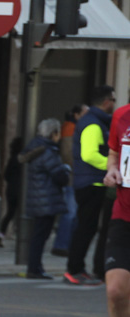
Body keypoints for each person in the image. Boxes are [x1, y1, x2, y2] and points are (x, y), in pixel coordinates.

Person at [64, 85, 116, 285]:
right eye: (113, 99)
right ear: (106, 102)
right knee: (86, 227)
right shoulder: (93, 124)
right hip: (91, 182)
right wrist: (113, 166)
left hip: (92, 182)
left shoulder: (95, 121)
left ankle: (85, 268)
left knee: (89, 227)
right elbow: (89, 154)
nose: (114, 103)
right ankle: (75, 269)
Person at [102, 101, 130, 317]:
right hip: (124, 215)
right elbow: (113, 154)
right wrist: (111, 171)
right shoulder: (122, 116)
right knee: (116, 291)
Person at [22, 119, 72, 279]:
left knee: (38, 235)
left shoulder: (36, 148)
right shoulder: (48, 151)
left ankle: (35, 267)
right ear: (53, 134)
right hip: (46, 199)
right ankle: (35, 268)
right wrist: (66, 170)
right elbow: (60, 176)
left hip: (39, 197)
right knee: (40, 236)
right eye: (58, 133)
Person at [52, 104, 89, 255]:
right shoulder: (70, 129)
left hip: (75, 177)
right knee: (70, 213)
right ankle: (62, 245)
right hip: (73, 178)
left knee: (72, 214)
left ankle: (65, 245)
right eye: (85, 113)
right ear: (76, 115)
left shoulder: (73, 129)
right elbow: (67, 155)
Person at [0, 137, 23, 247]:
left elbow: (6, 175)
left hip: (11, 189)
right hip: (20, 189)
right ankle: (20, 234)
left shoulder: (12, 159)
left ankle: (1, 234)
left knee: (10, 213)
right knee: (22, 213)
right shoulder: (22, 159)